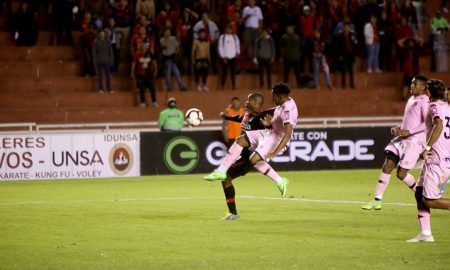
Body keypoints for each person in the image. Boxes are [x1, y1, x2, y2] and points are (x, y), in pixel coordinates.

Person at [203, 83, 298, 198]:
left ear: (279, 96)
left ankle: (280, 181)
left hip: (277, 139)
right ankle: (221, 170)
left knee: (253, 160)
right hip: (270, 133)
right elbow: (275, 116)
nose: (273, 100)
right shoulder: (285, 102)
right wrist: (269, 123)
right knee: (241, 140)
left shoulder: (288, 111)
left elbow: (287, 135)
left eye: (273, 96)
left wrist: (275, 152)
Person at [362, 75, 429, 210]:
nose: (411, 86)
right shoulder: (411, 99)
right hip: (402, 140)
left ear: (423, 87)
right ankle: (377, 200)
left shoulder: (425, 101)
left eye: (415, 84)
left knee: (401, 174)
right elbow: (410, 120)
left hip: (414, 142)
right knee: (387, 165)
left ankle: (420, 192)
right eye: (411, 84)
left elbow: (426, 123)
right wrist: (400, 128)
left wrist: (409, 132)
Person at [407, 79, 450, 242]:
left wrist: (426, 148)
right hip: (440, 158)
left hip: (436, 160)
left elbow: (438, 125)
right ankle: (426, 234)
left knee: (429, 200)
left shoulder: (434, 106)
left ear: (429, 93)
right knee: (419, 192)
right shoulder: (447, 107)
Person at [219, 93, 269, 220]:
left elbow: (269, 130)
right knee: (225, 179)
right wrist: (227, 117)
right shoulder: (248, 116)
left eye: (249, 100)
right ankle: (233, 214)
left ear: (257, 104)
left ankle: (233, 214)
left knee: (225, 178)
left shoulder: (260, 119)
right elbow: (239, 118)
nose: (246, 102)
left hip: (248, 156)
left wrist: (267, 125)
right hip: (241, 155)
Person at [218, 24, 240, 90]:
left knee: (233, 72)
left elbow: (237, 46)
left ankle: (233, 85)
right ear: (225, 30)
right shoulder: (222, 37)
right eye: (227, 29)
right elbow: (220, 47)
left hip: (233, 56)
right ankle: (222, 85)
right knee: (224, 72)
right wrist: (223, 56)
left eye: (229, 29)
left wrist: (237, 53)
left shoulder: (235, 37)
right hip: (225, 57)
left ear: (231, 30)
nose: (228, 30)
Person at [336, 22, 357, 89]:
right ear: (343, 28)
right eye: (346, 27)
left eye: (348, 27)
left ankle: (352, 84)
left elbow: (354, 45)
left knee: (351, 71)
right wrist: (340, 55)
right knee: (344, 71)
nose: (347, 29)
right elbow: (338, 46)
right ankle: (343, 84)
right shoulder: (340, 36)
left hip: (350, 55)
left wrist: (354, 54)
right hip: (343, 55)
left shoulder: (352, 35)